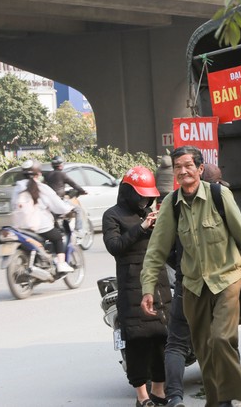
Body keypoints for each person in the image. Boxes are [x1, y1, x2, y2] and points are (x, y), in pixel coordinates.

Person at [140, 146, 241, 407]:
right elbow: (156, 250)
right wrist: (147, 287)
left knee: (221, 339)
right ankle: (218, 402)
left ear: (200, 169)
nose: (183, 171)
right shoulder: (171, 204)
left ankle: (230, 395)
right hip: (193, 285)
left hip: (226, 278)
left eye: (188, 165)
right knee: (203, 350)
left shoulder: (220, 195)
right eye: (178, 167)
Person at [102, 166, 172, 407]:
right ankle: (142, 395)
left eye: (147, 196)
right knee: (137, 341)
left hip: (159, 283)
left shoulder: (150, 213)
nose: (144, 200)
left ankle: (159, 391)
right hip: (131, 284)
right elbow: (115, 246)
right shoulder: (112, 215)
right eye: (140, 195)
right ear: (128, 192)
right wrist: (141, 229)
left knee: (162, 339)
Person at [160, 163, 228, 407]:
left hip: (185, 284)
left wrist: (180, 265)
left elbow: (163, 249)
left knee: (176, 343)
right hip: (218, 286)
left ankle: (175, 398)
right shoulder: (222, 203)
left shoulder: (175, 206)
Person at [11, 159, 75, 273]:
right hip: (40, 226)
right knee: (58, 237)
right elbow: (57, 205)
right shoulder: (42, 188)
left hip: (20, 227)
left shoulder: (17, 188)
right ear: (39, 174)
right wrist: (69, 209)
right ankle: (61, 264)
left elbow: (13, 204)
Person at [44, 155, 87, 233]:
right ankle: (79, 229)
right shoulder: (62, 175)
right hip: (59, 201)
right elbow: (74, 184)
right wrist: (82, 191)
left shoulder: (47, 175)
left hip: (48, 202)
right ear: (60, 165)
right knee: (78, 209)